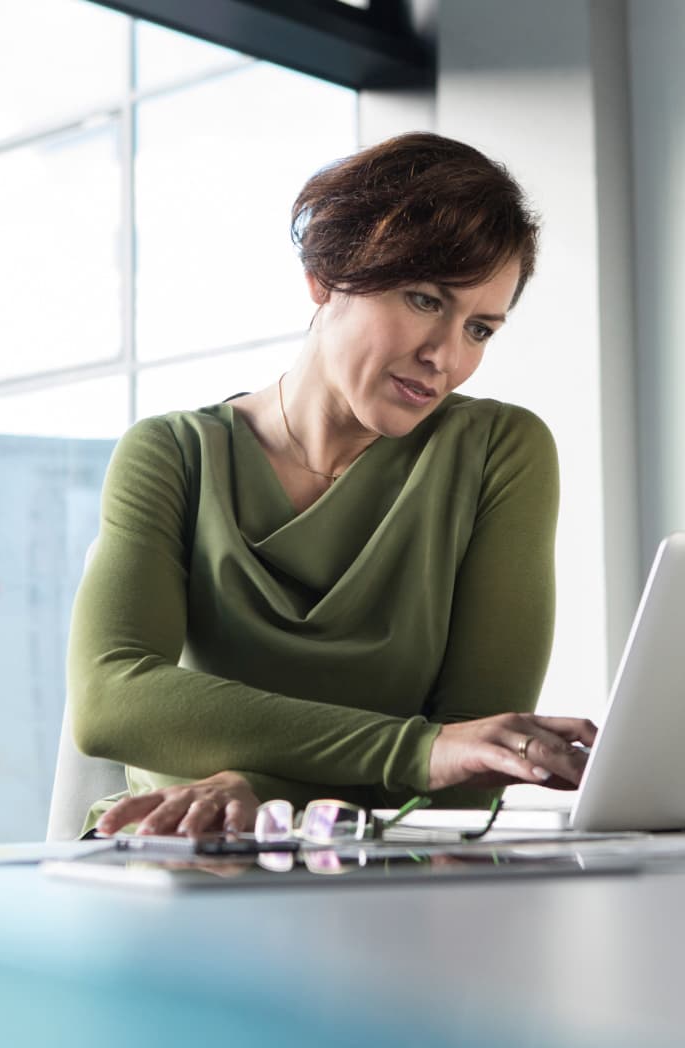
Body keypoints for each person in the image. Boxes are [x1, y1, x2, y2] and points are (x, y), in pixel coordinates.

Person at [68, 131, 596, 838]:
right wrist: (417, 751)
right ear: (325, 276)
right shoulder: (172, 455)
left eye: (480, 328)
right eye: (423, 299)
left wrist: (258, 786)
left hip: (386, 864)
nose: (444, 355)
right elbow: (110, 701)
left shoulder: (500, 452)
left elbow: (472, 771)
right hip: (176, 851)